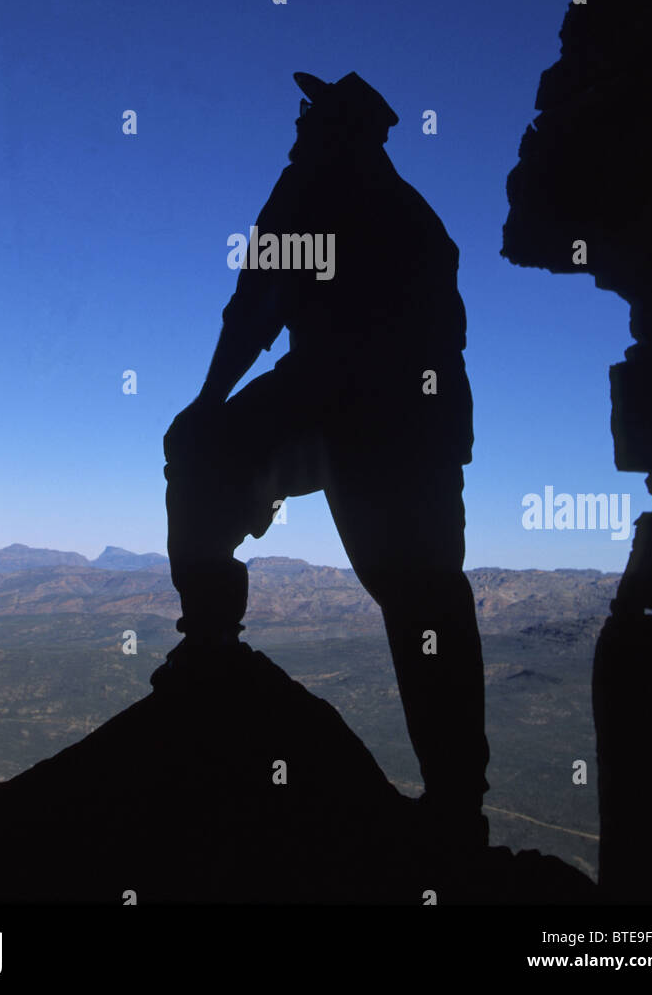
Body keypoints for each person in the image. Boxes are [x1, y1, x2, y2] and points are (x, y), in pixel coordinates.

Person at [159, 70, 490, 850]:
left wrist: (210, 402)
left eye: (309, 117)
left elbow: (254, 305)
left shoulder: (310, 188)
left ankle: (210, 643)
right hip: (417, 416)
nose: (296, 128)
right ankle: (455, 807)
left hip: (337, 400)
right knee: (425, 597)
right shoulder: (418, 219)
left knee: (199, 452)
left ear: (338, 129)